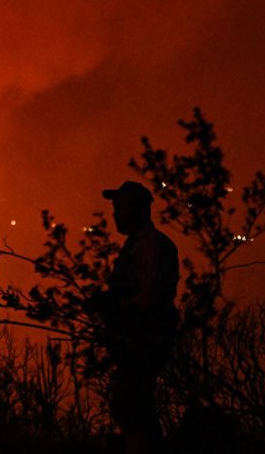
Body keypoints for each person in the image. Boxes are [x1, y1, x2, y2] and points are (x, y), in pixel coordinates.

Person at [97, 180, 179, 454]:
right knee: (132, 405)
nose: (115, 214)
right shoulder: (138, 245)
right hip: (136, 338)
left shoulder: (151, 247)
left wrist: (115, 309)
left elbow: (149, 297)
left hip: (144, 338)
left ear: (139, 210)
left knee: (132, 404)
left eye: (121, 208)